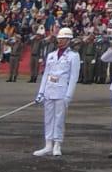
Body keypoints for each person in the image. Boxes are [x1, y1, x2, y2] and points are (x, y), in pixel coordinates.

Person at [32, 27, 80, 159]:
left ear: (68, 40)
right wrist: (40, 93)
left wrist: (68, 96)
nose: (60, 40)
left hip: (62, 92)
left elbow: (73, 77)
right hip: (49, 90)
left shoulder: (73, 56)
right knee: (48, 119)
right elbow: (46, 74)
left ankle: (57, 144)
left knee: (59, 119)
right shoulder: (51, 55)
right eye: (59, 38)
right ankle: (48, 145)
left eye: (63, 38)